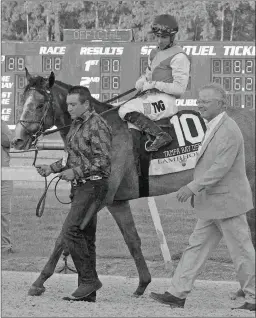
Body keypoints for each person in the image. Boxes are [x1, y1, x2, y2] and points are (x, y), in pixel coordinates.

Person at [150, 83, 255, 311]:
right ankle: (177, 294)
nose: (200, 104)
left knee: (242, 253)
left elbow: (220, 167)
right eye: (199, 100)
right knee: (195, 248)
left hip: (228, 203)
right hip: (213, 203)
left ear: (222, 104)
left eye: (206, 101)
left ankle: (254, 297)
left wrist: (192, 187)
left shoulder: (229, 129)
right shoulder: (214, 125)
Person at [36, 86, 112, 301]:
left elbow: (103, 161)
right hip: (81, 186)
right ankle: (88, 292)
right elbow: (72, 157)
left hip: (94, 186)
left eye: (73, 105)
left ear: (86, 104)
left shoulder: (97, 125)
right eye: (67, 104)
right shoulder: (77, 125)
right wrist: (51, 168)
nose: (68, 108)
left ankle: (88, 280)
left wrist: (76, 172)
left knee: (71, 231)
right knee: (86, 237)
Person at [118, 14, 190, 152]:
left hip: (166, 102)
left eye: (164, 37)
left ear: (172, 37)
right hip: (150, 98)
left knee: (125, 110)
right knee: (121, 114)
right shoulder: (154, 53)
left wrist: (154, 85)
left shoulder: (179, 57)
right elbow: (149, 74)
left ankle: (161, 135)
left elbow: (179, 89)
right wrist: (143, 80)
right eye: (157, 37)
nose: (159, 40)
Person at [1, 119, 14, 255]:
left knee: (4, 212)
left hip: (4, 174)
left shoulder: (2, 124)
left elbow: (9, 142)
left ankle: (5, 246)